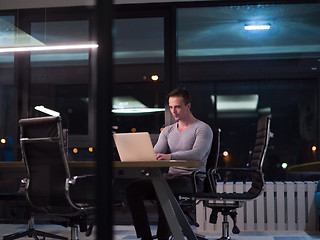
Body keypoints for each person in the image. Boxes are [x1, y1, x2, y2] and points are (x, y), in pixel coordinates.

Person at [125, 88, 213, 240]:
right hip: (171, 177)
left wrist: (169, 156)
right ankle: (145, 237)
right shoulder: (167, 131)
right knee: (132, 189)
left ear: (188, 106)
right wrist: (142, 155)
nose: (174, 111)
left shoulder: (202, 128)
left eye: (177, 106)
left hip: (191, 179)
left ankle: (163, 237)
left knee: (163, 189)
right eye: (171, 107)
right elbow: (155, 153)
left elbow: (198, 154)